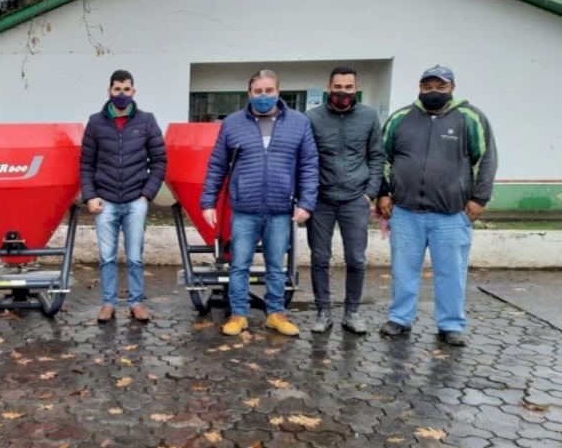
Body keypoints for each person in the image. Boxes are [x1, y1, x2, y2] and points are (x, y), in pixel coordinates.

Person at [377, 65, 497, 347]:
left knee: (451, 272)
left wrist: (480, 198)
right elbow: (382, 157)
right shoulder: (401, 118)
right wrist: (383, 192)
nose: (434, 92)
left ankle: (451, 324)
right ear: (420, 87)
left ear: (452, 88)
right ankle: (400, 319)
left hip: (451, 214)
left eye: (440, 87)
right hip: (405, 212)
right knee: (403, 271)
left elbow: (486, 160)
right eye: (428, 86)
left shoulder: (471, 117)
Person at [200, 69, 319, 337]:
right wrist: (208, 202)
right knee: (239, 264)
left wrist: (306, 203)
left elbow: (309, 165)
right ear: (249, 93)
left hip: (280, 208)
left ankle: (275, 314)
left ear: (278, 91)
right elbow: (217, 164)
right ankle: (238, 314)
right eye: (258, 92)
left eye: (269, 91)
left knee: (276, 265)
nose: (263, 96)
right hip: (244, 208)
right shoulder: (232, 123)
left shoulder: (299, 123)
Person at [80, 69, 167, 323]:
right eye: (117, 89)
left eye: (126, 89)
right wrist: (90, 196)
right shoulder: (95, 122)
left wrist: (146, 196)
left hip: (135, 200)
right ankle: (108, 304)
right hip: (105, 201)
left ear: (133, 91)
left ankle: (136, 303)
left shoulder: (147, 121)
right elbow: (86, 163)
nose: (121, 94)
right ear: (109, 91)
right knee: (106, 257)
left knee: (135, 256)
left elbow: (160, 161)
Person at [306, 66, 385, 335]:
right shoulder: (313, 118)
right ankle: (323, 311)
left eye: (348, 87)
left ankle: (352, 312)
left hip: (355, 199)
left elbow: (376, 156)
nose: (343, 92)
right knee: (319, 258)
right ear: (329, 87)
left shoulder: (369, 117)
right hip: (321, 200)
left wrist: (369, 192)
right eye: (337, 87)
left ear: (356, 87)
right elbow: (305, 159)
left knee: (356, 259)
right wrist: (308, 194)